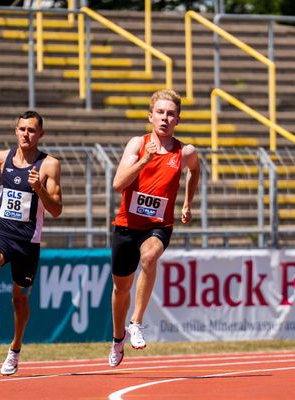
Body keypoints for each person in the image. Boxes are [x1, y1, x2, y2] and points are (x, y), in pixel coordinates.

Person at [108, 89, 200, 368]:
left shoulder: (185, 152)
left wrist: (187, 203)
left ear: (178, 120)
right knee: (120, 288)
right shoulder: (137, 144)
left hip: (158, 226)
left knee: (149, 257)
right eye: (160, 112)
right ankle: (117, 336)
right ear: (150, 117)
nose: (165, 118)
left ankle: (136, 322)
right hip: (126, 225)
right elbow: (118, 183)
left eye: (171, 114)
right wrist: (144, 161)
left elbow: (195, 171)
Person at [0, 110, 62, 376]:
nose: (26, 134)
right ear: (15, 130)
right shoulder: (2, 158)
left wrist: (39, 190)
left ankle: (15, 348)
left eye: (32, 130)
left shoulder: (49, 166)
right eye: (22, 129)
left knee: (19, 300)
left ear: (40, 134)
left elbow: (56, 210)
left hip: (27, 240)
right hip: (0, 231)